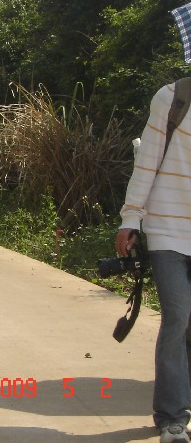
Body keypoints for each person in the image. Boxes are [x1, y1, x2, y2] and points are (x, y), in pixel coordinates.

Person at [116, 81, 191, 443]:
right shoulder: (173, 98)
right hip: (168, 229)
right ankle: (172, 418)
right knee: (178, 316)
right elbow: (147, 161)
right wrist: (131, 218)